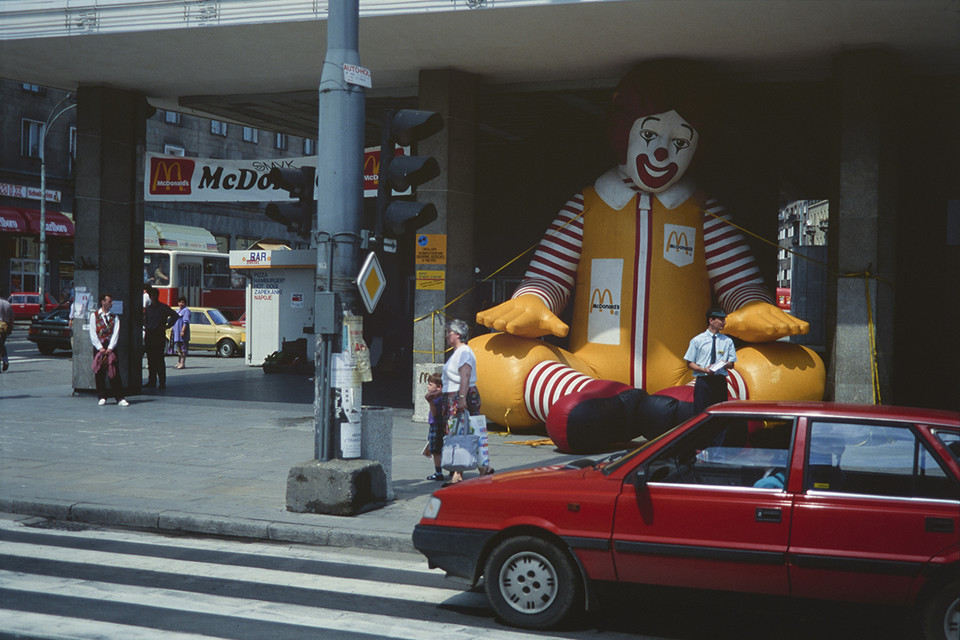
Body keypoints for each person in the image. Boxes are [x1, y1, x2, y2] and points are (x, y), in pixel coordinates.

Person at [471, 61, 825, 453]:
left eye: (680, 141)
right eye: (652, 133)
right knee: (486, 354)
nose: (662, 150)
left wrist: (754, 307)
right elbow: (551, 278)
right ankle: (595, 398)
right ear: (624, 134)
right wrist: (533, 301)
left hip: (687, 374)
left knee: (797, 367)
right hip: (589, 371)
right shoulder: (587, 205)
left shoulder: (703, 211)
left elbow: (737, 285)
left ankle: (680, 403)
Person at [441, 319, 492, 484]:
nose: (447, 335)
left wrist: (462, 397)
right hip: (455, 394)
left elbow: (465, 376)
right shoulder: (458, 352)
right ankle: (483, 467)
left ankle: (458, 471)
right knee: (468, 430)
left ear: (457, 334)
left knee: (460, 432)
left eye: (449, 332)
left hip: (461, 394)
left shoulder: (464, 352)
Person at [684, 308, 737, 412]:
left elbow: (732, 364)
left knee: (720, 413)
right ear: (711, 320)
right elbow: (689, 363)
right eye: (721, 319)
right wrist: (704, 370)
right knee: (700, 412)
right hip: (703, 381)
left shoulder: (727, 341)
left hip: (719, 381)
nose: (724, 322)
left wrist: (723, 364)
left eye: (724, 319)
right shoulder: (697, 340)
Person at [89, 293, 129, 406]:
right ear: (103, 302)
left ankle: (119, 397)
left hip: (111, 347)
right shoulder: (94, 316)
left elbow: (116, 333)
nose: (111, 303)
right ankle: (101, 395)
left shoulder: (114, 317)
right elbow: (93, 332)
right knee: (99, 371)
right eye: (109, 301)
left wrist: (111, 347)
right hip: (99, 347)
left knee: (114, 372)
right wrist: (99, 347)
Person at [142, 287, 178, 389]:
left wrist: (167, 326)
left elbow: (175, 315)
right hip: (149, 335)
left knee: (159, 360)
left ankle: (162, 382)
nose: (152, 297)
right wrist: (145, 325)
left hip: (158, 334)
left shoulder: (163, 308)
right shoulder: (148, 309)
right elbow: (144, 319)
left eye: (154, 295)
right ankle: (152, 380)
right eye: (151, 295)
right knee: (150, 359)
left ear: (157, 296)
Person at [424, 373, 446, 481]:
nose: (428, 386)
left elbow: (435, 413)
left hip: (436, 425)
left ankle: (438, 473)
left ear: (438, 387)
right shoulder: (444, 397)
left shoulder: (436, 399)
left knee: (436, 450)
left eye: (430, 384)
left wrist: (430, 402)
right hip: (442, 425)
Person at [171, 297, 190, 369]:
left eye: (183, 302)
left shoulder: (186, 310)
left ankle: (182, 363)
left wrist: (183, 331)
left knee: (183, 348)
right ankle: (179, 362)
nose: (181, 304)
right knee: (178, 348)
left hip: (182, 333)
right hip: (176, 333)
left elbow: (186, 322)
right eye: (180, 302)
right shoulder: (177, 311)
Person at [0, 289, 14, 373]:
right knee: (1, 345)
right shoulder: (7, 304)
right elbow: (12, 317)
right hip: (4, 327)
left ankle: (5, 360)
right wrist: (10, 327)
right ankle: (5, 360)